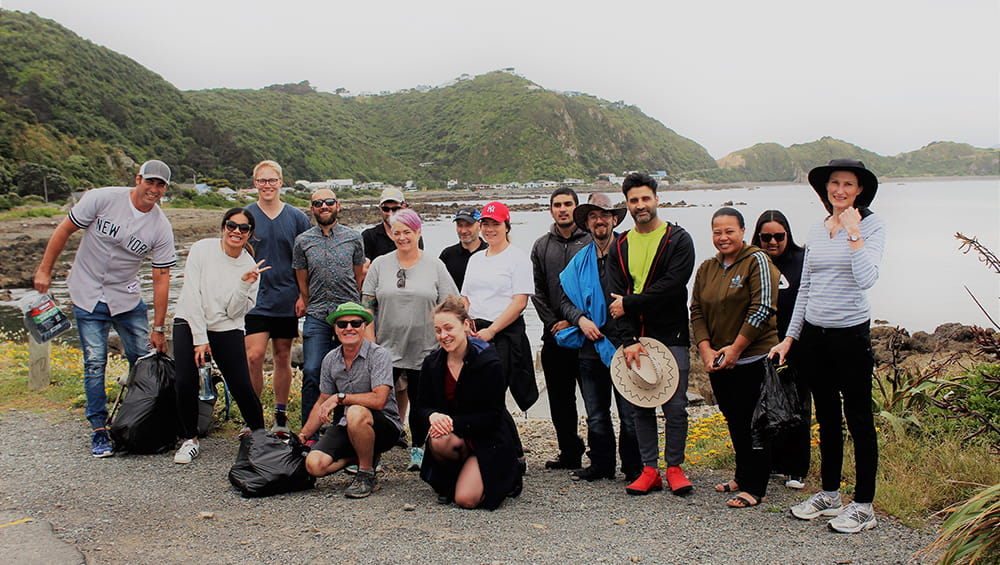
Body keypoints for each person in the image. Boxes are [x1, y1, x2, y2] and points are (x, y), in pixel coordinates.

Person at [771, 159, 886, 534]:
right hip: (815, 337)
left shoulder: (871, 225)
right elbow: (806, 288)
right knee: (828, 419)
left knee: (859, 420)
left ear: (859, 190)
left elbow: (867, 278)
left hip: (850, 336)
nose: (839, 190)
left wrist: (854, 234)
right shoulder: (817, 230)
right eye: (834, 184)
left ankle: (864, 504)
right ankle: (831, 493)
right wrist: (791, 337)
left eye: (847, 185)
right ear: (826, 189)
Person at [33, 159, 176, 457]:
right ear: (138, 179)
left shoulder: (160, 227)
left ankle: (138, 419)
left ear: (165, 189)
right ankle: (98, 428)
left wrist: (159, 326)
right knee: (95, 361)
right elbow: (65, 230)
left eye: (160, 185)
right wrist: (45, 270)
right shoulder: (102, 198)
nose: (153, 189)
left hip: (125, 295)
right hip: (87, 292)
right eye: (149, 181)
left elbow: (161, 275)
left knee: (143, 359)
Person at [606, 172, 695, 496]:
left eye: (645, 198)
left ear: (656, 199)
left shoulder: (678, 239)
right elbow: (613, 299)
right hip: (636, 337)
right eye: (633, 200)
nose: (640, 205)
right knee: (639, 404)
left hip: (671, 334)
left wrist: (631, 302)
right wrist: (628, 340)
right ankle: (649, 469)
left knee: (675, 406)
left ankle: (674, 467)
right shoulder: (621, 244)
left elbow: (673, 286)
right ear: (627, 204)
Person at [690, 207, 780, 508]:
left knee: (756, 423)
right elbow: (697, 311)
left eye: (729, 231)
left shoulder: (757, 261)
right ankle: (742, 475)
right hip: (719, 360)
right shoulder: (707, 268)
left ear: (742, 231)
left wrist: (737, 348)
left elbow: (762, 307)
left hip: (753, 357)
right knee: (734, 420)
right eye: (717, 232)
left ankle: (756, 487)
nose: (723, 237)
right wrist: (705, 349)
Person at [361, 209, 458, 471]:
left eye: (407, 232)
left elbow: (449, 305)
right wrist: (370, 344)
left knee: (421, 402)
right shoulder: (380, 264)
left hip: (425, 348)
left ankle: (419, 450)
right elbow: (367, 305)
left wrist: (447, 339)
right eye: (397, 232)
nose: (402, 237)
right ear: (390, 233)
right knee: (379, 404)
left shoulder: (435, 265)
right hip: (385, 348)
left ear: (418, 232)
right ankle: (374, 453)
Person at [172, 208, 270, 464]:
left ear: (250, 233)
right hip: (189, 320)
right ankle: (189, 439)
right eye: (231, 225)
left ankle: (260, 438)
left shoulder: (250, 266)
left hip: (227, 326)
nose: (236, 231)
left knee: (241, 384)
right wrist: (200, 338)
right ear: (223, 226)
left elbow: (235, 312)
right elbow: (192, 293)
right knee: (185, 380)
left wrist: (243, 284)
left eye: (243, 228)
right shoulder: (202, 249)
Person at [557, 193, 642, 482]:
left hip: (625, 344)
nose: (599, 220)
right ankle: (602, 465)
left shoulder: (629, 251)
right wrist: (580, 320)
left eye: (604, 214)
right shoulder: (580, 260)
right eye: (593, 216)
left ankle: (634, 467)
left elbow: (644, 294)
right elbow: (565, 301)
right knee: (595, 412)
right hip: (591, 346)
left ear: (614, 219)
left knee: (629, 413)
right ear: (588, 222)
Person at [416, 296, 521, 509]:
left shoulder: (488, 362)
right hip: (456, 437)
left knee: (467, 500)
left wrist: (452, 423)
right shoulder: (432, 363)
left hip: (488, 438)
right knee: (439, 440)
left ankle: (508, 473)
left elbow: (493, 414)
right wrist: (433, 416)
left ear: (465, 325)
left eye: (448, 328)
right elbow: (421, 404)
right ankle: (452, 479)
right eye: (438, 330)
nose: (443, 336)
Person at [299, 302, 402, 499]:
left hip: (384, 425)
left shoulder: (379, 355)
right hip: (349, 425)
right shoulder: (330, 359)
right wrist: (303, 435)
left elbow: (380, 400)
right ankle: (363, 454)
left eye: (355, 323)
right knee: (314, 465)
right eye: (342, 324)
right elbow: (322, 400)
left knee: (355, 410)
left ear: (364, 327)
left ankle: (365, 473)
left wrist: (340, 398)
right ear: (335, 329)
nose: (349, 328)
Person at [460, 200, 533, 465]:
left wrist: (492, 330)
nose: (490, 229)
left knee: (491, 394)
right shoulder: (476, 259)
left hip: (504, 333)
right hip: (475, 332)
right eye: (486, 224)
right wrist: (465, 322)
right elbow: (465, 297)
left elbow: (519, 301)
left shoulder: (518, 258)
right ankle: (494, 449)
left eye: (495, 224)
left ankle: (514, 453)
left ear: (506, 225)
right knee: (477, 394)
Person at [242, 160, 311, 434]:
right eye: (262, 180)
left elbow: (306, 259)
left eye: (272, 180)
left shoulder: (296, 217)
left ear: (281, 182)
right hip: (254, 300)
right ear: (255, 184)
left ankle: (280, 415)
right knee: (254, 356)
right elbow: (231, 253)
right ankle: (253, 415)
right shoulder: (245, 216)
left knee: (283, 356)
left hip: (287, 298)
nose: (267, 185)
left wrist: (304, 295)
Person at [292, 189, 366, 434]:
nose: (324, 206)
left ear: (338, 205)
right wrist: (307, 300)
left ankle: (342, 427)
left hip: (347, 317)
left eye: (329, 202)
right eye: (318, 203)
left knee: (348, 372)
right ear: (312, 208)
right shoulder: (302, 241)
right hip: (317, 314)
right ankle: (309, 431)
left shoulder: (353, 238)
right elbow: (302, 279)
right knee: (313, 369)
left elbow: (358, 276)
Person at [530, 188, 591, 470]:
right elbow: (537, 290)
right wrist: (553, 322)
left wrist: (577, 319)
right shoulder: (541, 246)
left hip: (589, 335)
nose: (563, 209)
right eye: (557, 205)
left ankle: (601, 455)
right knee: (560, 399)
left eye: (568, 204)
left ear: (577, 208)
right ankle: (569, 451)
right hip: (554, 335)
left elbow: (599, 286)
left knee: (594, 399)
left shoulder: (591, 241)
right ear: (551, 210)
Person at [751, 210, 810, 489]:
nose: (772, 242)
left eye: (778, 236)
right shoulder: (752, 262)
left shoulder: (802, 259)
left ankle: (796, 468)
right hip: (761, 345)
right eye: (766, 237)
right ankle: (770, 462)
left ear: (787, 235)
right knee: (764, 406)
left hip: (796, 343)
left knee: (797, 407)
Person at [362, 187, 423, 263]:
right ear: (380, 209)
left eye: (395, 209)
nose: (390, 213)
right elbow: (364, 269)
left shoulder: (413, 235)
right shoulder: (369, 236)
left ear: (403, 207)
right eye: (386, 209)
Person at [438, 206, 488, 290]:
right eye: (459, 225)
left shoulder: (491, 252)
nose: (463, 231)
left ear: (480, 226)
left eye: (468, 225)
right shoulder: (447, 255)